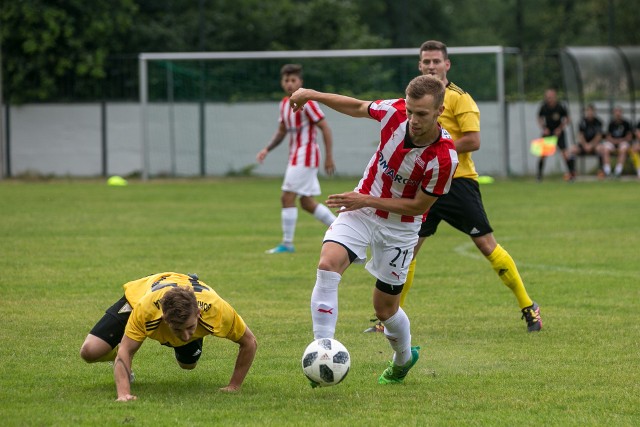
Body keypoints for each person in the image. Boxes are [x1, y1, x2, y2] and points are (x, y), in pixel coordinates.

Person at [290, 74, 458, 385]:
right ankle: (321, 352)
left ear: (439, 111)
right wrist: (313, 93)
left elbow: (420, 207)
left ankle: (404, 358)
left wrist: (363, 197)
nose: (413, 120)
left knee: (384, 309)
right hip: (362, 211)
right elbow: (356, 106)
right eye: (410, 111)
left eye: (421, 114)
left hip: (401, 228)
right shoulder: (394, 113)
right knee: (327, 265)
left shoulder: (444, 158)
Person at [366, 40, 541, 334]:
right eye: (426, 62)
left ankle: (528, 307)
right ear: (420, 66)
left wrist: (436, 149)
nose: (431, 66)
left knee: (487, 246)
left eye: (436, 61)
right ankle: (389, 320)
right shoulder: (415, 100)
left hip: (458, 182)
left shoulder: (460, 98)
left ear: (447, 65)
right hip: (423, 185)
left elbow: (473, 140)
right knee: (408, 251)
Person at [80, 272, 257, 401]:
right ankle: (117, 357)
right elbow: (127, 350)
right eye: (178, 330)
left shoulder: (218, 310)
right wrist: (124, 394)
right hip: (141, 295)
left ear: (199, 314)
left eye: (190, 328)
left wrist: (234, 386)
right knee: (90, 351)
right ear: (165, 319)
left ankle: (189, 331)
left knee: (188, 365)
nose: (186, 336)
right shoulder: (145, 310)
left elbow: (250, 342)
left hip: (186, 303)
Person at [256, 64, 337, 254]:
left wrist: (329, 157)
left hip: (306, 155)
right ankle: (342, 231)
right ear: (282, 83)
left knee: (287, 197)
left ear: (300, 82)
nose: (290, 84)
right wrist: (267, 149)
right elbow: (282, 131)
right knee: (307, 203)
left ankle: (287, 243)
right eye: (286, 80)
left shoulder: (308, 102)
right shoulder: (284, 104)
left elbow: (325, 127)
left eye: (293, 80)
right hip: (296, 156)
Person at [537, 88, 572, 181]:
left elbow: (567, 119)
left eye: (551, 97)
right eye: (548, 97)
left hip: (558, 133)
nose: (549, 99)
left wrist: (560, 128)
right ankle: (539, 177)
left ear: (555, 97)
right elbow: (539, 118)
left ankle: (571, 175)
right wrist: (544, 129)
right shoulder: (543, 107)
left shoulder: (560, 107)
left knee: (565, 154)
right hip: (548, 133)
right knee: (542, 155)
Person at [568, 104, 604, 178]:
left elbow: (599, 136)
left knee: (600, 148)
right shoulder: (582, 122)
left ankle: (601, 171)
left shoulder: (598, 122)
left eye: (591, 111)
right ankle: (572, 172)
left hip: (594, 145)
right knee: (572, 150)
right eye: (588, 111)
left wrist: (591, 145)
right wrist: (585, 145)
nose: (590, 113)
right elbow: (580, 135)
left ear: (594, 112)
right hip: (584, 145)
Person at [601, 106, 632, 178]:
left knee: (623, 149)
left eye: (619, 112)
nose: (618, 114)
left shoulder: (626, 123)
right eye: (616, 112)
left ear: (621, 113)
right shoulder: (611, 123)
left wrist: (621, 140)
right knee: (605, 149)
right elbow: (608, 137)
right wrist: (614, 141)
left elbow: (629, 136)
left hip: (623, 142)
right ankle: (607, 171)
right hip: (613, 142)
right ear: (614, 113)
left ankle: (618, 171)